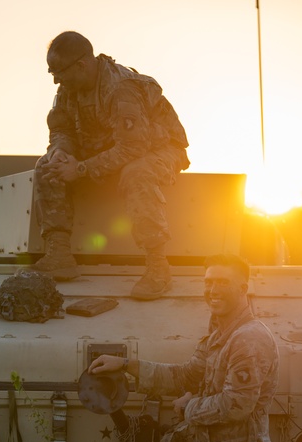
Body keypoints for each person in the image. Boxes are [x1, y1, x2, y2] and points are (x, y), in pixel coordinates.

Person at [89, 254, 279, 442]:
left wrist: (188, 408)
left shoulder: (248, 339)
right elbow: (185, 377)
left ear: (243, 287)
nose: (213, 289)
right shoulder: (220, 335)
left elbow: (237, 403)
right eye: (208, 282)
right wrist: (126, 365)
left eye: (222, 282)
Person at [32, 31, 190, 299]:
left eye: (59, 71)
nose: (56, 79)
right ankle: (58, 253)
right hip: (107, 147)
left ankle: (157, 268)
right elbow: (61, 129)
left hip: (158, 148)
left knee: (137, 173)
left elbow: (133, 147)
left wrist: (81, 169)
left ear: (81, 66)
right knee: (47, 166)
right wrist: (61, 151)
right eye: (52, 72)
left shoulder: (121, 89)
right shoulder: (69, 90)